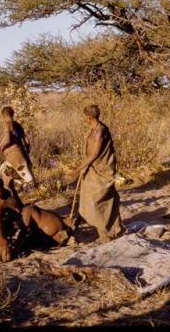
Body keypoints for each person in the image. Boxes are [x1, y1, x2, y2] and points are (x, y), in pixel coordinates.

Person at [68, 104, 125, 243]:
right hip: (93, 168)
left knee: (99, 200)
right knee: (96, 199)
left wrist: (77, 169)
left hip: (102, 170)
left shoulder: (100, 130)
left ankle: (106, 233)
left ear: (89, 117)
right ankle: (114, 228)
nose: (84, 119)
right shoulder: (93, 129)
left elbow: (94, 153)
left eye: (85, 117)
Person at [0, 106, 36, 190]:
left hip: (14, 157)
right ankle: (11, 192)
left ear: (3, 116)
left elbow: (7, 140)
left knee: (26, 180)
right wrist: (26, 150)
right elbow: (26, 140)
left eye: (2, 117)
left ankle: (24, 187)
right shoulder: (17, 124)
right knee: (4, 171)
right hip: (20, 155)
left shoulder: (6, 124)